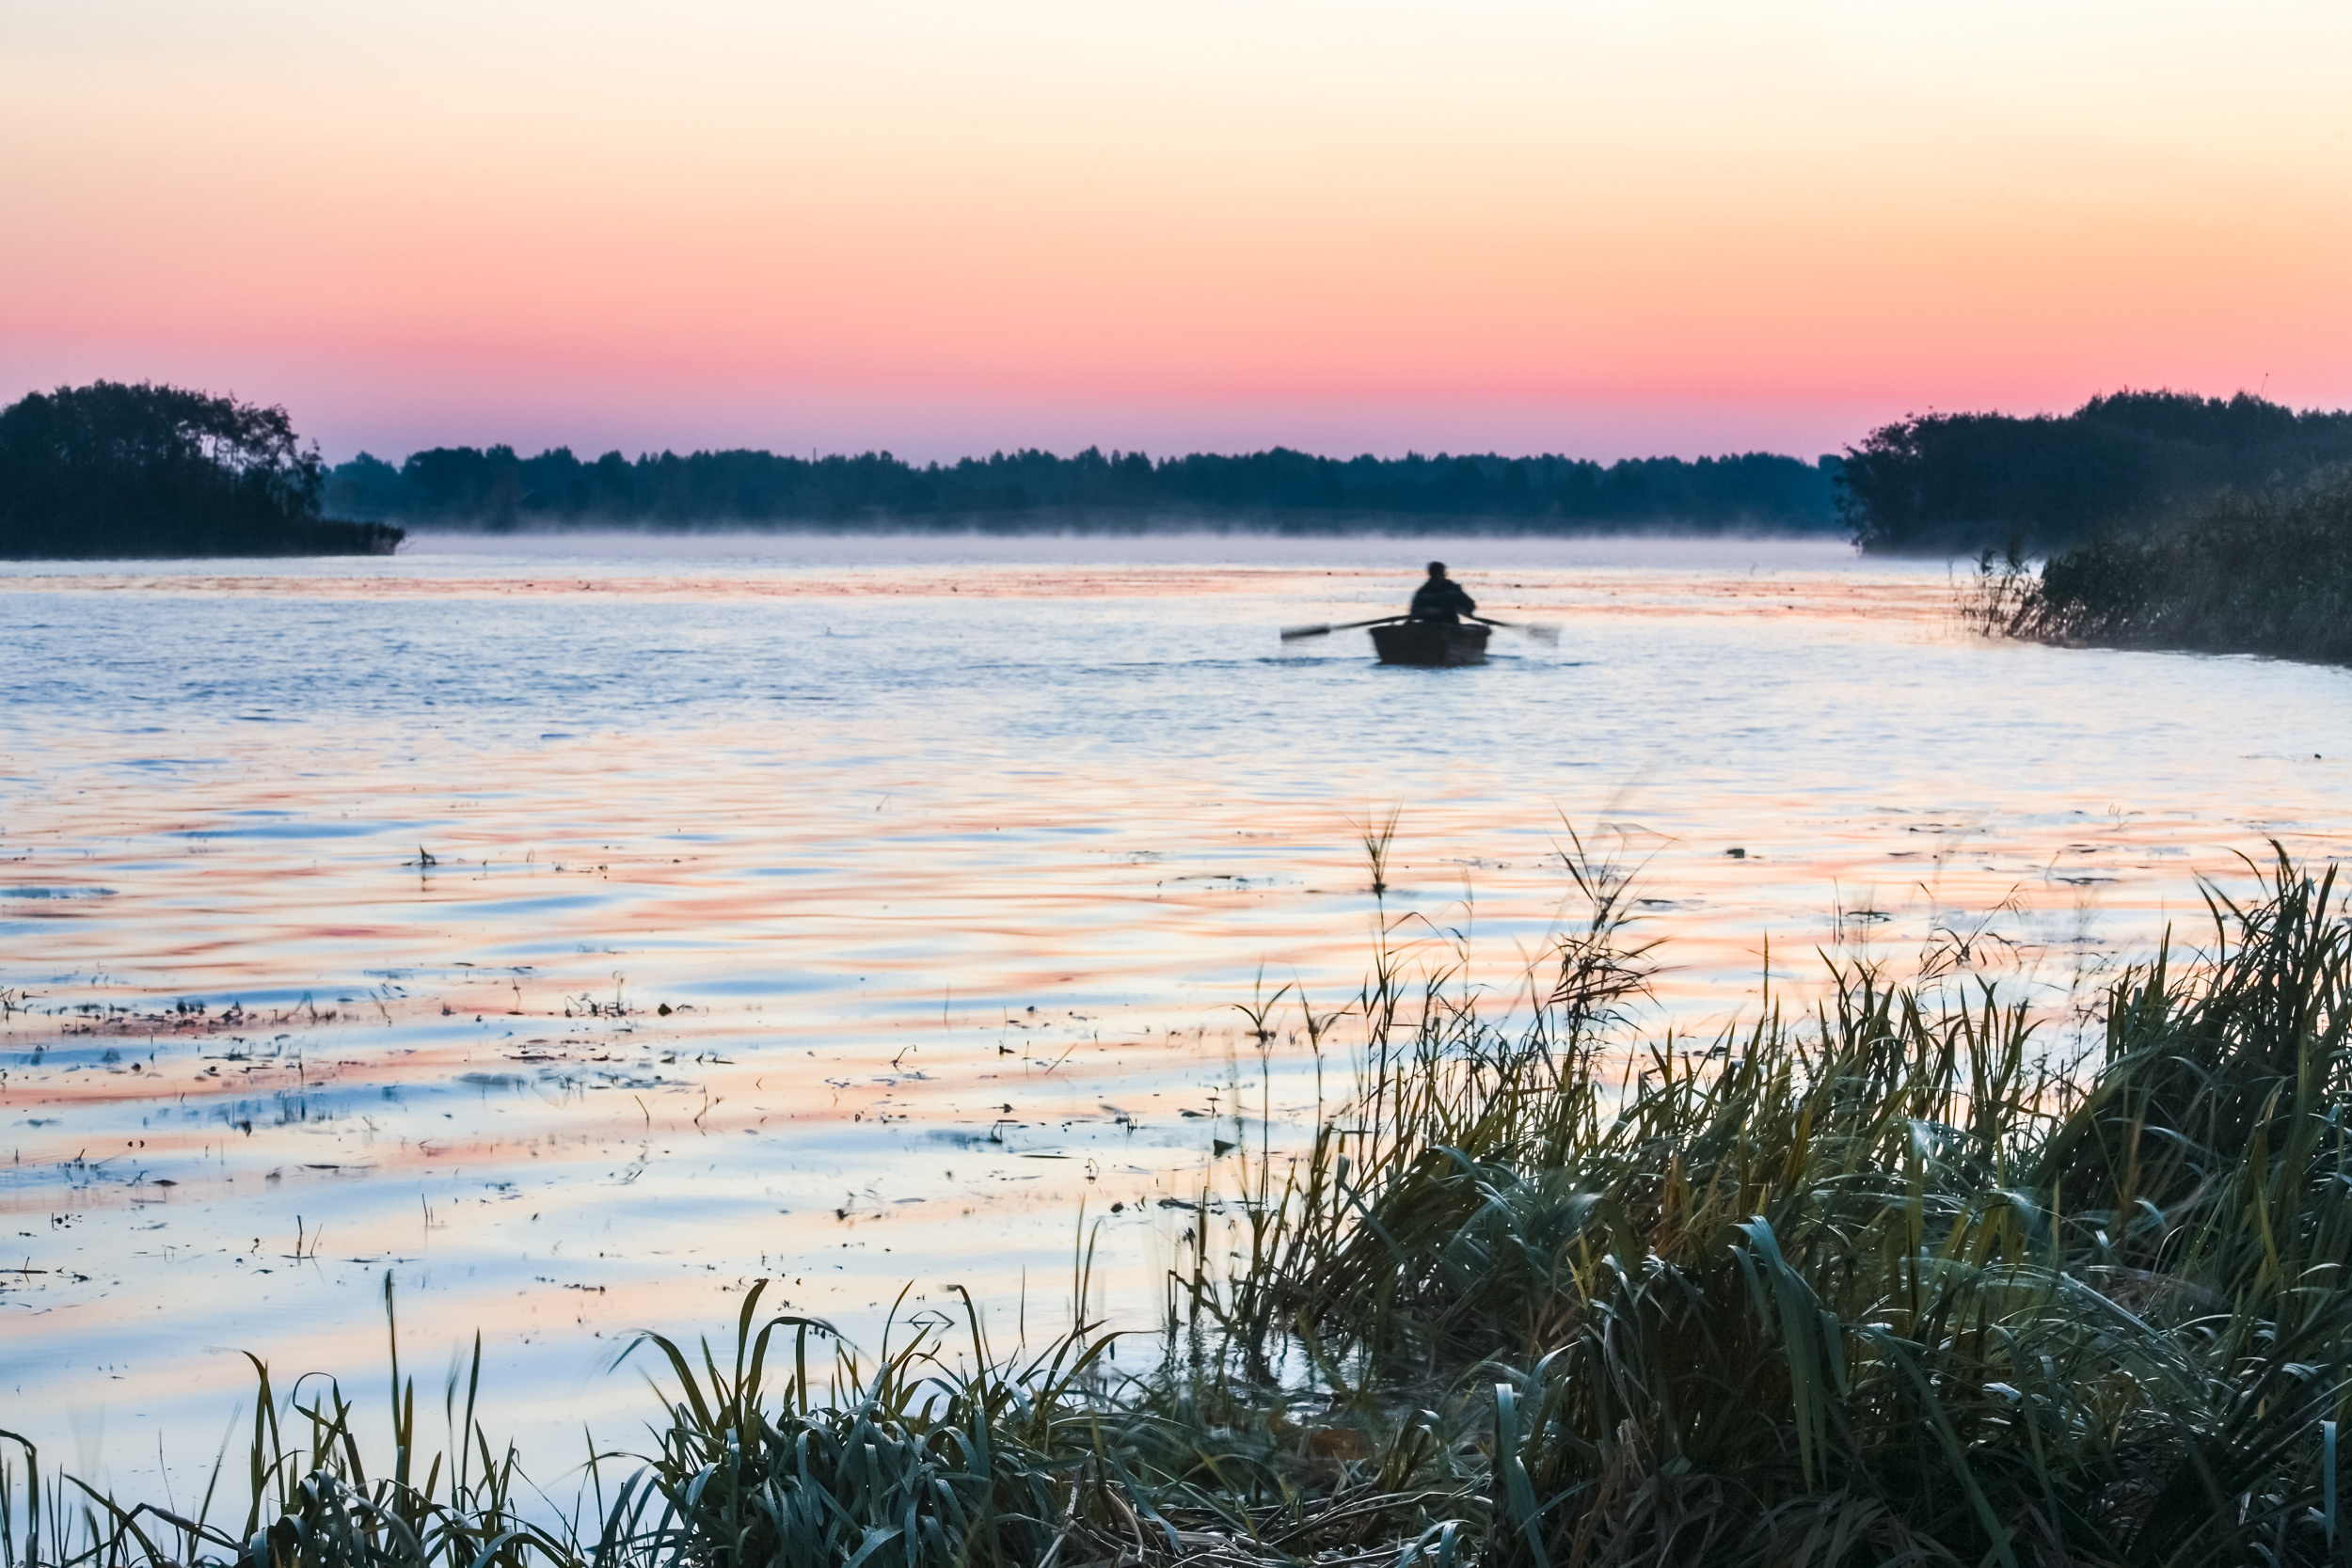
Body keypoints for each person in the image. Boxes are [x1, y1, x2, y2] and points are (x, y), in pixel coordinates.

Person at [1408, 561, 1476, 624]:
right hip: (1429, 626)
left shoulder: (1452, 588)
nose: (1444, 575)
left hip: (1450, 625)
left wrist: (1461, 609)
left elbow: (1470, 605)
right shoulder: (1424, 592)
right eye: (1442, 572)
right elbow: (1414, 611)